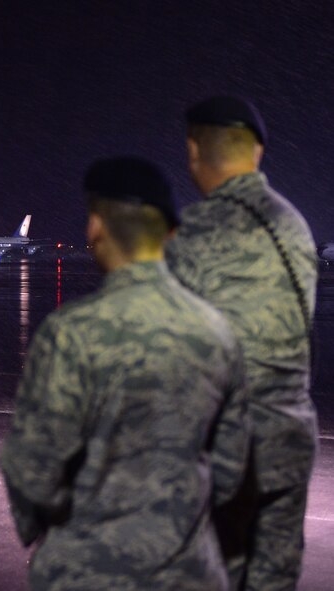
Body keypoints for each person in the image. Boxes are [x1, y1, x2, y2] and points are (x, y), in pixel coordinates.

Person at [0, 156, 249, 590]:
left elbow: (32, 466)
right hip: (188, 572)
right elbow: (235, 466)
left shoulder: (69, 333)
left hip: (86, 572)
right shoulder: (218, 332)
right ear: (171, 233)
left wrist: (55, 530)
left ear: (94, 227)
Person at [165, 95, 318, 590]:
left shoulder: (189, 234)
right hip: (290, 438)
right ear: (257, 153)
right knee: (273, 576)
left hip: (224, 449)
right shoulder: (295, 225)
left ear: (193, 151)